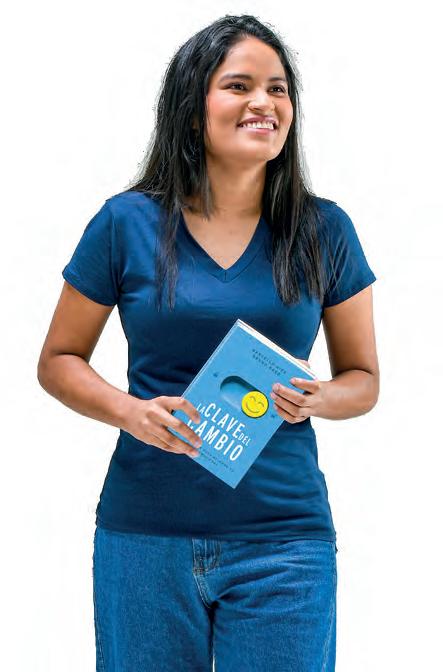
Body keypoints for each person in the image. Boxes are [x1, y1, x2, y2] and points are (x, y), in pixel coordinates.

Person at [37, 14, 379, 672]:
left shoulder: (325, 230)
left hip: (284, 542)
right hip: (146, 536)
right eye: (239, 86)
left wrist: (319, 397)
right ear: (192, 108)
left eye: (277, 89)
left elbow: (362, 379)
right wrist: (130, 412)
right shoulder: (125, 223)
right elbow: (57, 360)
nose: (264, 103)